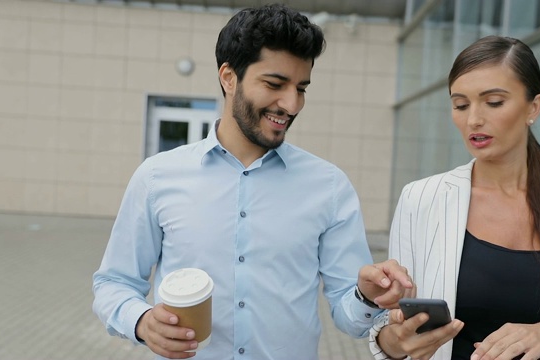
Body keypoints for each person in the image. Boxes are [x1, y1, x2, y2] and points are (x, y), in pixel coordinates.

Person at [92, 4, 413, 360]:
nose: (291, 104)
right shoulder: (156, 178)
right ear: (229, 77)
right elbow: (114, 283)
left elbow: (350, 317)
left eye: (301, 88)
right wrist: (141, 321)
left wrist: (367, 297)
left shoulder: (330, 187)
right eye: (275, 84)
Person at [367, 35, 540, 360]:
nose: (473, 118)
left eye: (493, 102)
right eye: (460, 105)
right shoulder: (421, 199)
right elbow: (391, 329)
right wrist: (395, 341)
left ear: (534, 106)